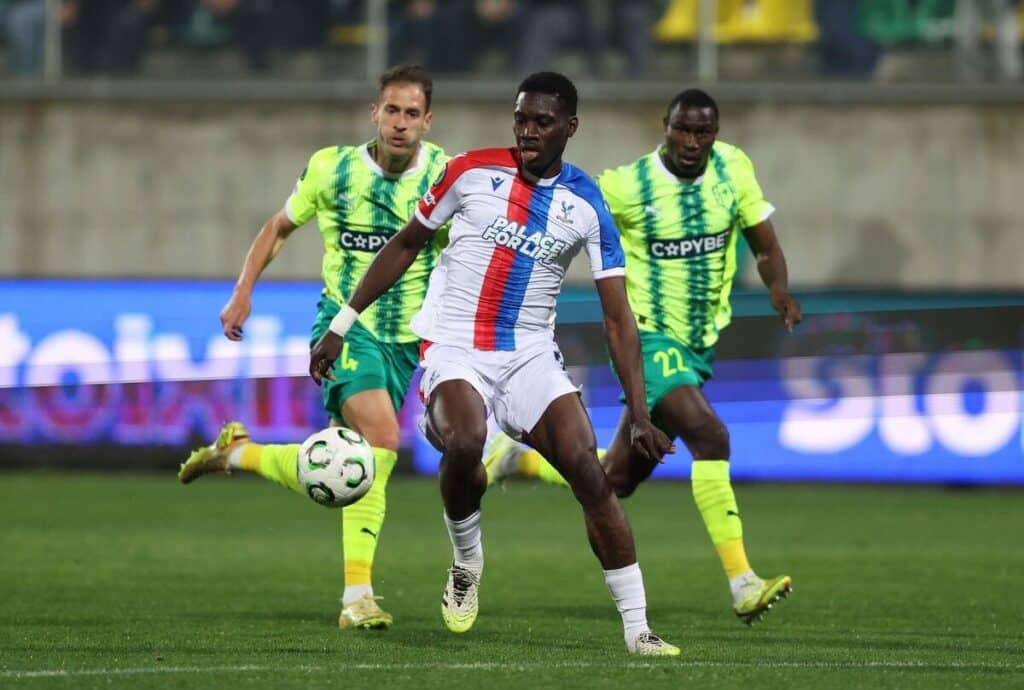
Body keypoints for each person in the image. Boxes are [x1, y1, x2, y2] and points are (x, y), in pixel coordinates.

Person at [308, 72, 680, 656]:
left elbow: (617, 318)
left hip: (530, 352)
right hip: (455, 345)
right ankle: (466, 559)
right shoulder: (469, 171)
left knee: (586, 467)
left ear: (570, 128)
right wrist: (341, 323)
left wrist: (638, 412)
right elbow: (405, 245)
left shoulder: (586, 205)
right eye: (521, 120)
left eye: (543, 123)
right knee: (465, 441)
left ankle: (638, 630)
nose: (529, 132)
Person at [483, 88, 802, 625]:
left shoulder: (734, 170)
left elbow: (764, 244)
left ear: (716, 134)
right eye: (683, 130)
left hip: (698, 345)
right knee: (711, 436)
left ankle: (520, 460)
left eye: (704, 132)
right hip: (650, 341)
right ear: (665, 126)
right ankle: (743, 582)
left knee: (614, 483)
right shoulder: (628, 186)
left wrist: (779, 289)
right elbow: (569, 210)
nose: (693, 142)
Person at [177, 64, 448, 631]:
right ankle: (357, 597)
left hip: (411, 341)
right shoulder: (333, 169)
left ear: (428, 121)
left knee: (359, 461)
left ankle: (240, 453)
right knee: (379, 440)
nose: (400, 124)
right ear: (375, 113)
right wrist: (243, 290)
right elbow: (279, 226)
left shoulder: (445, 176)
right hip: (344, 330)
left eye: (411, 114)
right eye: (391, 111)